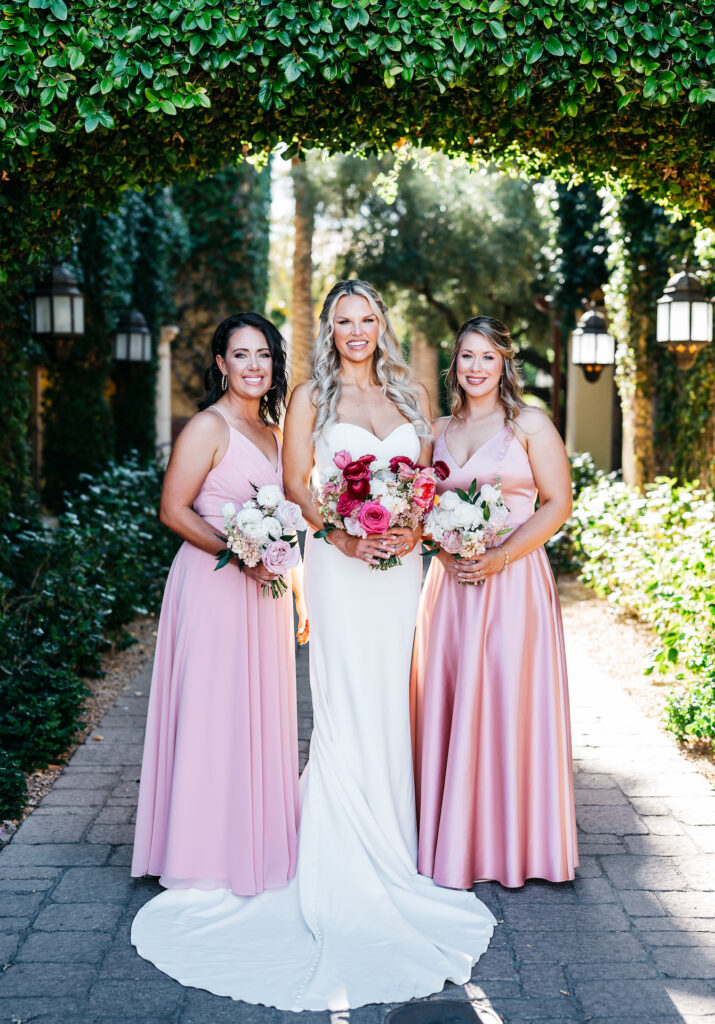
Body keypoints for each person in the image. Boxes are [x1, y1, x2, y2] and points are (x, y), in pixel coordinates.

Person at [132, 281, 494, 1011]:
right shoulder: (307, 400)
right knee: (343, 699)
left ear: (381, 325)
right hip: (337, 563)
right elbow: (297, 487)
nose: (355, 331)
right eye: (342, 320)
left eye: (366, 319)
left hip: (396, 568)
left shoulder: (412, 392)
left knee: (390, 697)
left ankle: (391, 848)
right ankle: (333, 855)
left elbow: (424, 481)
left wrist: (412, 528)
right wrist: (341, 535)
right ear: (327, 328)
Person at [130, 312, 302, 898]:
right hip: (211, 584)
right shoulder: (208, 426)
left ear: (274, 366)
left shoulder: (277, 436)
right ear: (221, 363)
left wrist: (288, 579)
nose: (254, 366)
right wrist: (239, 551)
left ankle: (250, 840)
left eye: (264, 355)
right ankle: (199, 851)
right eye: (242, 355)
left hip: (266, 592)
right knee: (211, 710)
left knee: (255, 711)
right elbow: (173, 510)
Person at [410, 315, 578, 890]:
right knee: (450, 701)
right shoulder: (435, 429)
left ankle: (514, 844)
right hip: (451, 585)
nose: (476, 367)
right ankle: (450, 839)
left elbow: (557, 504)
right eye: (466, 356)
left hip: (513, 583)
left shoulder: (529, 423)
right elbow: (419, 509)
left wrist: (501, 555)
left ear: (505, 362)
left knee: (509, 702)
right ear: (453, 364)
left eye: (487, 356)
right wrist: (441, 545)